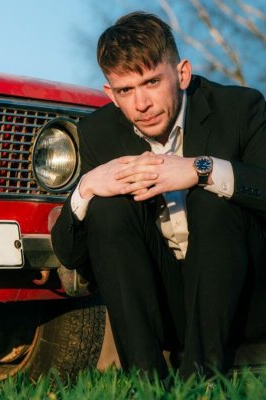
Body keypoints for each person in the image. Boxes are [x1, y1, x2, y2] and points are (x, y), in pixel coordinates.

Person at [51, 11, 266, 379]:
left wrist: (202, 170)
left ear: (182, 73)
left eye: (152, 82)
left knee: (213, 200)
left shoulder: (239, 108)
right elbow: (71, 255)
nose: (141, 103)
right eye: (126, 90)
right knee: (107, 209)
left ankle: (200, 379)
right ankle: (144, 380)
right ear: (111, 94)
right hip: (164, 307)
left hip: (246, 300)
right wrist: (86, 188)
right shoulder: (98, 134)